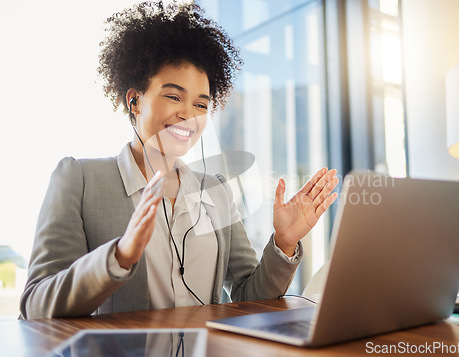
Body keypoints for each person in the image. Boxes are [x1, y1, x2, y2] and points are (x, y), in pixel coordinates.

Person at [20, 1, 339, 320]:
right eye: (174, 96)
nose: (188, 115)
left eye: (201, 105)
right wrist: (119, 257)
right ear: (134, 100)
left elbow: (248, 297)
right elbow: (36, 304)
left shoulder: (216, 191)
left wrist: (283, 243)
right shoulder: (80, 179)